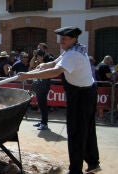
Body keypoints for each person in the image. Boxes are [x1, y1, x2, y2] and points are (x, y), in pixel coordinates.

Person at [17, 26, 100, 174]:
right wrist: (42, 66)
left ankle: (75, 170)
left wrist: (28, 76)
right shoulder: (73, 50)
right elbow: (55, 63)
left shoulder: (73, 55)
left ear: (74, 39)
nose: (61, 41)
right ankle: (93, 163)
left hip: (82, 95)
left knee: (76, 132)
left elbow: (55, 71)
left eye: (65, 39)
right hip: (86, 92)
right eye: (60, 38)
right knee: (87, 129)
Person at [31, 49, 54, 130]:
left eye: (38, 56)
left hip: (44, 87)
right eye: (36, 56)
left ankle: (44, 123)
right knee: (41, 105)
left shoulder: (46, 64)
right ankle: (42, 121)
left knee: (43, 106)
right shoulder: (39, 63)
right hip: (39, 86)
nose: (37, 58)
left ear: (42, 56)